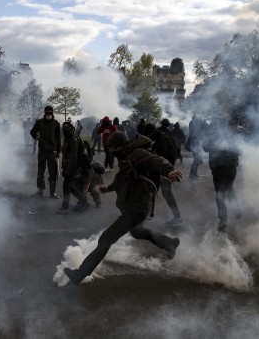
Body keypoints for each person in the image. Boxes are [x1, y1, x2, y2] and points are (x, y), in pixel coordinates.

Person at [63, 131, 182, 286]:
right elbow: (122, 178)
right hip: (135, 206)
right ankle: (169, 243)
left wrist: (169, 171)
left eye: (113, 149)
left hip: (137, 207)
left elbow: (156, 160)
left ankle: (80, 274)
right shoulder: (127, 157)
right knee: (138, 232)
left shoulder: (137, 153)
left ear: (120, 146)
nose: (111, 152)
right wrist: (109, 188)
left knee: (105, 239)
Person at [203, 119, 242, 232]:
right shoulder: (233, 136)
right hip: (231, 168)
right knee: (229, 189)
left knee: (220, 194)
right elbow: (240, 151)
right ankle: (237, 211)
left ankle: (223, 219)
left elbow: (205, 148)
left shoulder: (212, 136)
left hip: (219, 169)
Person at [144, 120, 182, 226]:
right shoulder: (161, 137)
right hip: (161, 169)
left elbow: (167, 156)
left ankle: (177, 217)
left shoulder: (162, 140)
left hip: (163, 171)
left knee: (164, 192)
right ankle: (148, 215)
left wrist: (166, 171)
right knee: (152, 191)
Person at [58, 121, 91, 213]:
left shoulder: (73, 140)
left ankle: (65, 207)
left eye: (67, 128)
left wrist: (69, 169)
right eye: (64, 128)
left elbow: (74, 157)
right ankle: (83, 201)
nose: (65, 130)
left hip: (72, 167)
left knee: (66, 186)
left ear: (72, 129)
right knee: (70, 187)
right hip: (68, 167)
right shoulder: (67, 140)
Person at [30, 106, 61, 198]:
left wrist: (58, 151)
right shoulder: (40, 122)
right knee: (40, 172)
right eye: (47, 113)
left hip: (52, 152)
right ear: (44, 113)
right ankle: (40, 191)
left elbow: (58, 138)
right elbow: (32, 132)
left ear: (52, 113)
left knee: (53, 173)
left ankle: (52, 193)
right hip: (42, 151)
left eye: (50, 113)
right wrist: (37, 138)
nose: (49, 114)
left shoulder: (56, 124)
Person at [186, 114, 206, 179]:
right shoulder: (194, 124)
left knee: (197, 159)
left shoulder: (192, 123)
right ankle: (192, 175)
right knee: (196, 160)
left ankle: (193, 174)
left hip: (195, 142)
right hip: (196, 143)